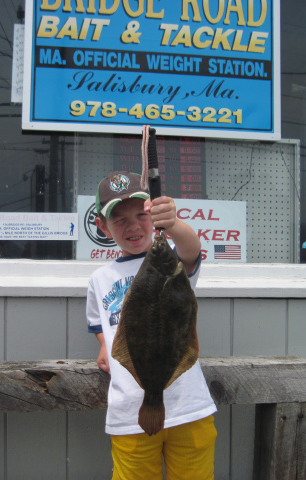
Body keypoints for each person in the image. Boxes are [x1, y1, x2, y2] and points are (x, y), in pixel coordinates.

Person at [86, 171, 217, 480]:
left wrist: (172, 223)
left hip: (188, 406)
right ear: (102, 227)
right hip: (130, 410)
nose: (133, 225)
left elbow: (190, 249)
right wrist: (105, 345)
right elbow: (97, 320)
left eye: (141, 215)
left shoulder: (174, 266)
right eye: (119, 219)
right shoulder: (99, 279)